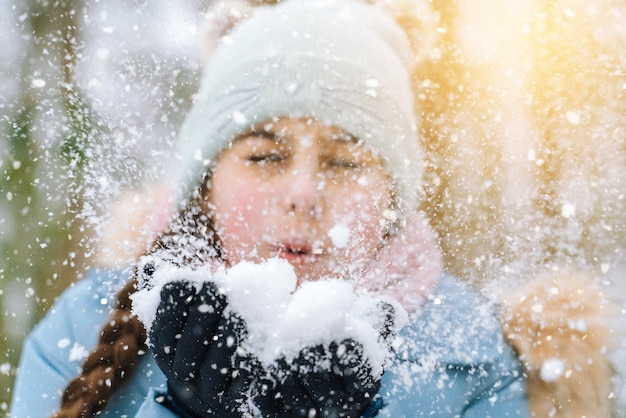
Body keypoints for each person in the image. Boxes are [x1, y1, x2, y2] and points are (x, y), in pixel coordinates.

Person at [10, 0, 529, 417]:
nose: (303, 193)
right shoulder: (79, 329)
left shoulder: (473, 354)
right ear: (206, 183)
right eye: (264, 155)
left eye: (345, 161)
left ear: (393, 198)